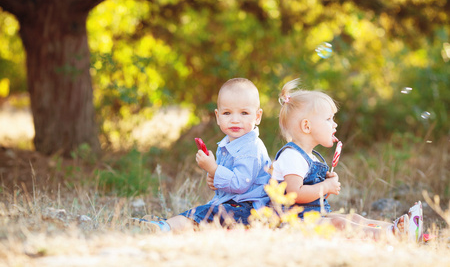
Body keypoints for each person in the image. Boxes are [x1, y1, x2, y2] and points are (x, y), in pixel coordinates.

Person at [271, 78, 423, 242]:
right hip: (293, 222)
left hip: (312, 216)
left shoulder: (311, 157)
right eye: (329, 119)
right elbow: (295, 195)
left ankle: (397, 228)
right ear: (307, 126)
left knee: (355, 219)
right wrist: (325, 186)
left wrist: (327, 189)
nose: (334, 125)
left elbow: (314, 198)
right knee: (339, 223)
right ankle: (390, 236)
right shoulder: (292, 156)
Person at [132, 78, 271, 232]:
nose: (235, 119)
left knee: (202, 214)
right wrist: (213, 179)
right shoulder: (226, 144)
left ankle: (164, 227)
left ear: (257, 116)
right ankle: (163, 225)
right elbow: (227, 181)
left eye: (244, 113)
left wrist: (213, 169)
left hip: (249, 210)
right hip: (233, 205)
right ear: (218, 116)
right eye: (227, 113)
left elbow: (239, 184)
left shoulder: (252, 148)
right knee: (203, 214)